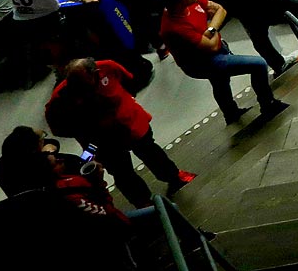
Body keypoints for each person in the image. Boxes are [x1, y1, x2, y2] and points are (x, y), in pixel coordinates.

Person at [46, 58, 193, 206]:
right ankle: (144, 203)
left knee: (150, 151)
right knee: (122, 174)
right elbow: (57, 128)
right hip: (101, 140)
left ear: (95, 74)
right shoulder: (60, 98)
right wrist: (85, 129)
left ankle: (174, 177)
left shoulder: (109, 67)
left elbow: (130, 82)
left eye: (84, 85)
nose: (81, 90)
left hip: (129, 123)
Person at [157, 0, 286, 125]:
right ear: (181, 1)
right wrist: (214, 29)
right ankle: (268, 104)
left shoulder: (190, 0)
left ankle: (231, 113)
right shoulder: (174, 27)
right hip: (202, 63)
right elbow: (211, 47)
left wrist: (211, 29)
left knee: (220, 82)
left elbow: (221, 10)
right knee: (258, 65)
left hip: (216, 49)